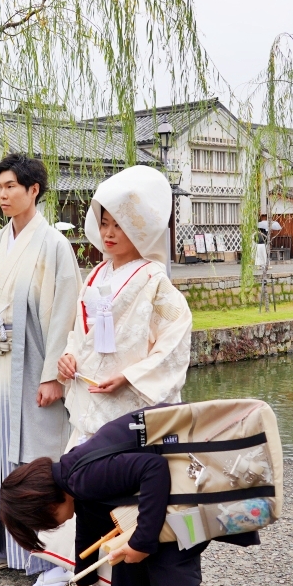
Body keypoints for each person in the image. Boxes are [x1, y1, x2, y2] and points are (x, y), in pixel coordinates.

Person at [0, 408, 258, 586]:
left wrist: (141, 543)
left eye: (43, 521)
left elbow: (153, 469)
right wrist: (83, 580)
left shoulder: (84, 477)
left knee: (170, 573)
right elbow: (88, 529)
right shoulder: (72, 477)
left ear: (46, 501)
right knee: (126, 567)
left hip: (187, 493)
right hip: (166, 503)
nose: (51, 526)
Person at [0, 154, 81, 586]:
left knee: (34, 460)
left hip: (32, 370)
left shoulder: (54, 244)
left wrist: (53, 374)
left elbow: (65, 311)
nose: (3, 194)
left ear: (34, 190)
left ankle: (52, 563)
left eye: (11, 186)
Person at [57, 165, 192, 448]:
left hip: (127, 402)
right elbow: (79, 333)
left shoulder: (154, 280)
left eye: (119, 225)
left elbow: (174, 342)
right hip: (89, 395)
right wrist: (69, 355)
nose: (109, 232)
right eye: (104, 223)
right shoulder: (95, 274)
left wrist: (130, 378)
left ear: (137, 228)